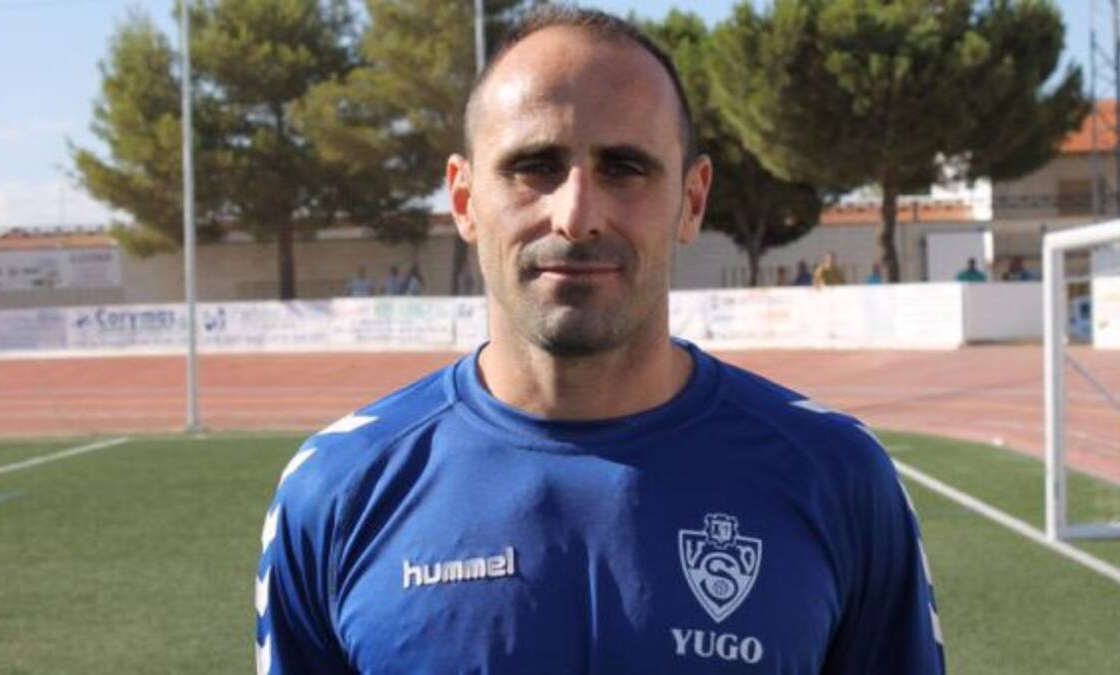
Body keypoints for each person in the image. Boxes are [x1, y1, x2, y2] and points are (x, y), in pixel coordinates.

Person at [256, 7, 944, 674]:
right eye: (534, 166)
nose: (577, 214)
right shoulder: (338, 490)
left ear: (692, 200)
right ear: (464, 200)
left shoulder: (838, 477)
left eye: (624, 168)